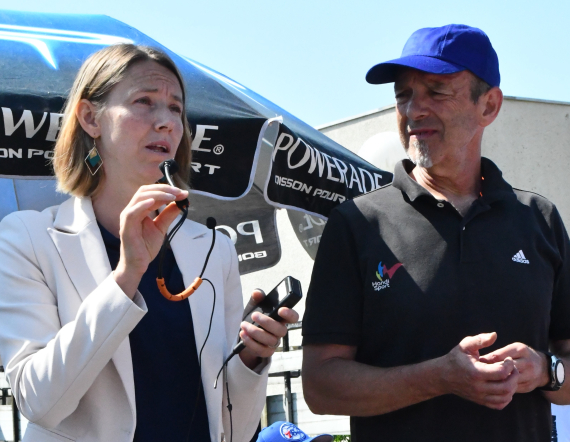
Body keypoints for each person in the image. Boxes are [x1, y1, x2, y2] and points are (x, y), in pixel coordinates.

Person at [0, 44, 298, 442]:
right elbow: (39, 402)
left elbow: (231, 425)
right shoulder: (26, 239)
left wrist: (251, 357)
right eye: (145, 101)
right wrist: (126, 276)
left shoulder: (213, 250)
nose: (167, 123)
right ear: (90, 118)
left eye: (176, 108)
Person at [301, 24, 570, 442]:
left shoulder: (539, 219)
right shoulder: (356, 222)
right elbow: (320, 387)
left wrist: (545, 370)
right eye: (403, 95)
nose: (413, 110)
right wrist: (440, 377)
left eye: (436, 91)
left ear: (489, 106)